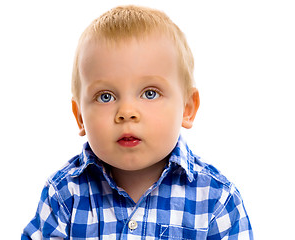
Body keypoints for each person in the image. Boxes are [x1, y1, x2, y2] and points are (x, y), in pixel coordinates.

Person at [22, 5, 253, 239]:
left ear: (187, 108)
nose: (127, 112)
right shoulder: (63, 195)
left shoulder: (217, 200)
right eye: (105, 96)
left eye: (150, 93)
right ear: (80, 116)